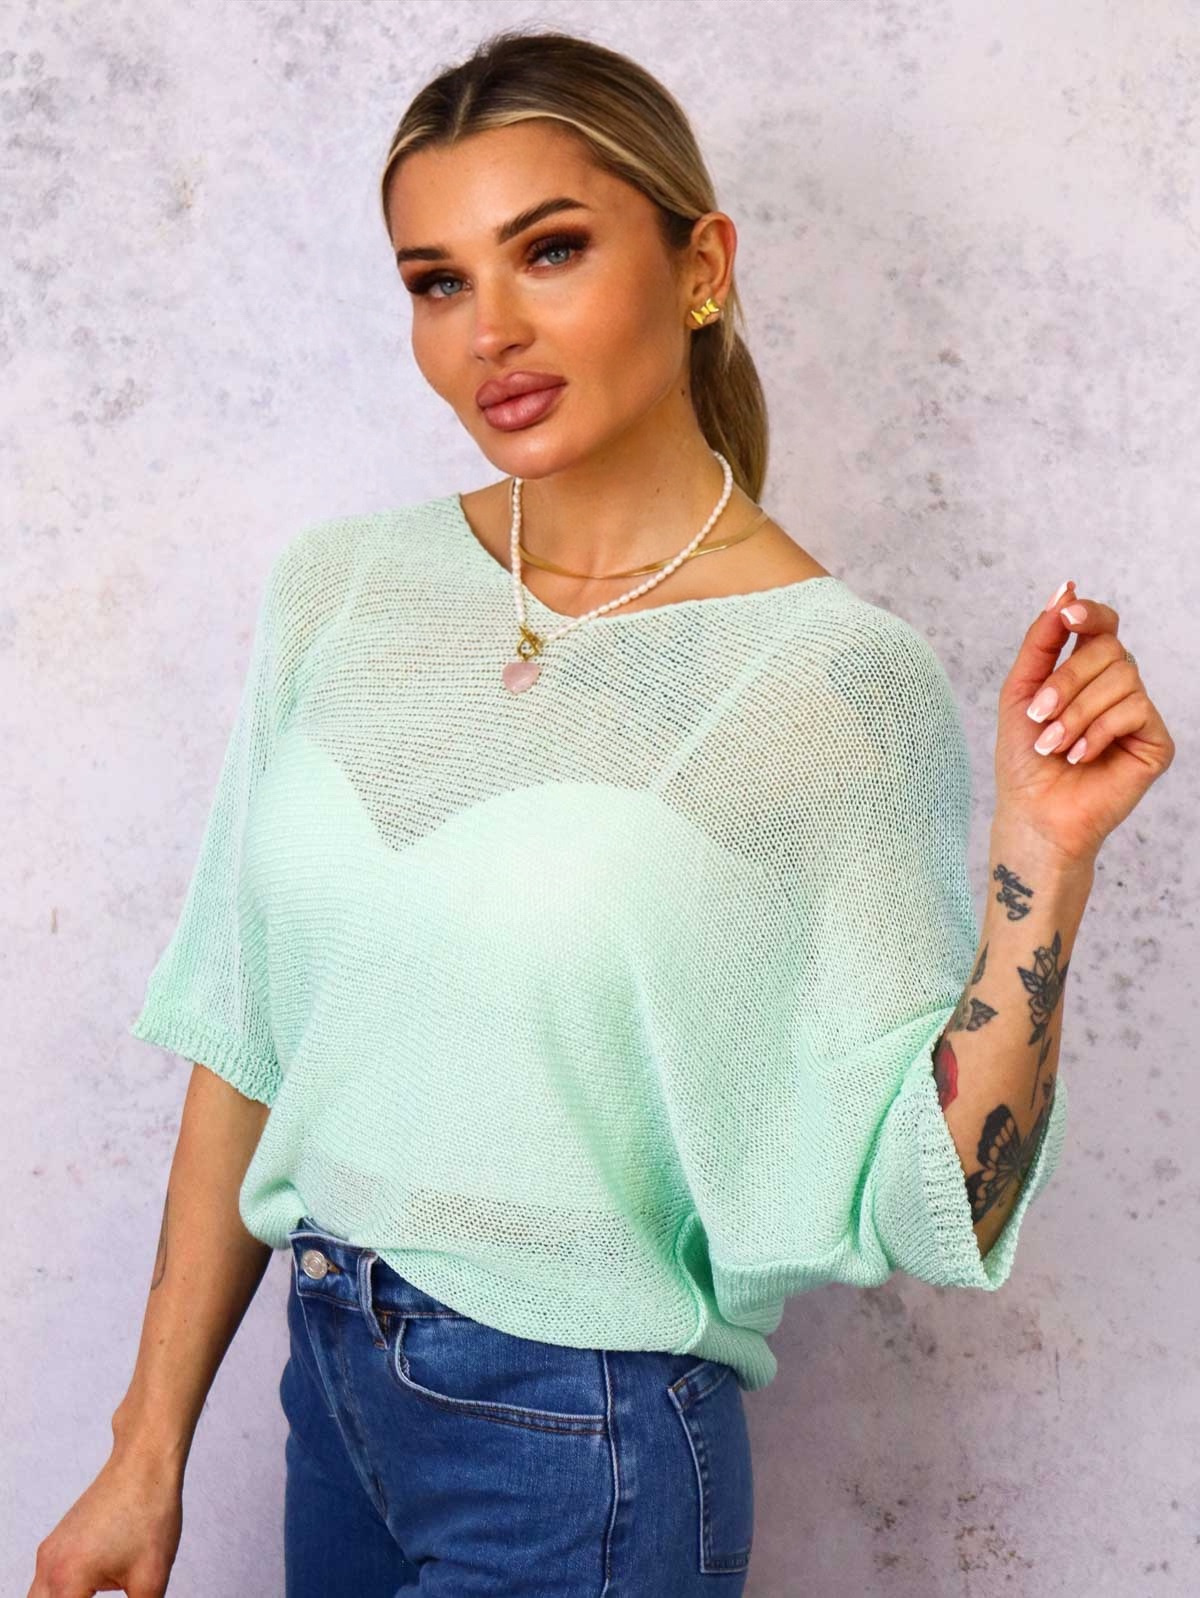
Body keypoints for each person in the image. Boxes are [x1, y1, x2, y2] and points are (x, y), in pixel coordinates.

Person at [29, 25, 1174, 1598]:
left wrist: (1044, 853)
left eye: (550, 250)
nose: (489, 329)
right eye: (436, 281)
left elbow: (934, 1192)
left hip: (582, 1456)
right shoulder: (340, 589)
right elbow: (246, 1036)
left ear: (701, 267)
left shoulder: (833, 677)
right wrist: (145, 1444)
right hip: (332, 1398)